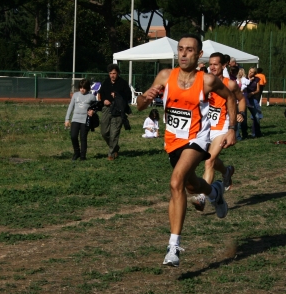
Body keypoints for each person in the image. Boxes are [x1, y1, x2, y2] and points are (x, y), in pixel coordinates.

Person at [136, 34, 237, 267]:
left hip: (197, 138)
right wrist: (145, 97)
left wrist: (231, 128)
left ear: (199, 54)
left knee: (176, 182)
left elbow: (230, 97)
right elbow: (140, 105)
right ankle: (215, 193)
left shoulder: (207, 81)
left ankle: (174, 246)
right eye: (180, 49)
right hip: (173, 140)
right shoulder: (165, 76)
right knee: (191, 185)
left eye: (189, 50)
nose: (183, 54)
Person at [190, 53, 245, 212]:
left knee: (209, 161)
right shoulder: (204, 81)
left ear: (224, 66)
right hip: (205, 127)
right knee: (211, 160)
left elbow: (241, 100)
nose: (212, 67)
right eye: (210, 64)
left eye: (216, 64)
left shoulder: (230, 84)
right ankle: (227, 171)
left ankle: (202, 196)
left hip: (222, 127)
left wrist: (241, 113)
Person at [100, 64, 132, 160]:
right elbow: (101, 94)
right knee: (104, 132)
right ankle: (115, 147)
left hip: (118, 110)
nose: (112, 75)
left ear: (118, 73)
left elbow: (128, 97)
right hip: (107, 108)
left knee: (114, 133)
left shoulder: (123, 83)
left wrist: (118, 95)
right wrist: (104, 100)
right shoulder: (106, 82)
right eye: (110, 73)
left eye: (114, 73)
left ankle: (111, 154)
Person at [65, 79, 97, 161]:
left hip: (85, 120)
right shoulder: (75, 95)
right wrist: (67, 119)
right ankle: (76, 152)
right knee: (73, 136)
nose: (82, 89)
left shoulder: (91, 97)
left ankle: (83, 156)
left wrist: (93, 111)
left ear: (88, 88)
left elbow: (96, 107)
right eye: (81, 87)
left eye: (84, 88)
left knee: (83, 137)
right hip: (75, 119)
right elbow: (70, 107)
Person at [242, 67, 263, 137]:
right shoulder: (244, 78)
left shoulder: (256, 79)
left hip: (252, 99)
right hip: (244, 99)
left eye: (252, 72)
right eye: (249, 71)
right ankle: (244, 134)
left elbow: (258, 90)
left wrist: (252, 93)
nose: (250, 73)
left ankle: (256, 133)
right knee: (243, 117)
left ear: (255, 73)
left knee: (256, 116)